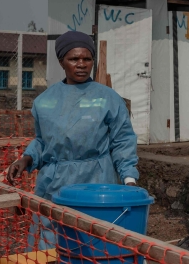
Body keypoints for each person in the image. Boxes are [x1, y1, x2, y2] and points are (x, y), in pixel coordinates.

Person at [7, 30, 139, 248]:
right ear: (61, 62)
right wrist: (26, 159)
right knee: (50, 243)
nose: (81, 64)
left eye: (87, 59)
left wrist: (129, 179)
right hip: (55, 184)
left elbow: (122, 141)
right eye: (74, 59)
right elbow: (43, 141)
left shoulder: (107, 98)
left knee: (94, 242)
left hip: (97, 182)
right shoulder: (45, 102)